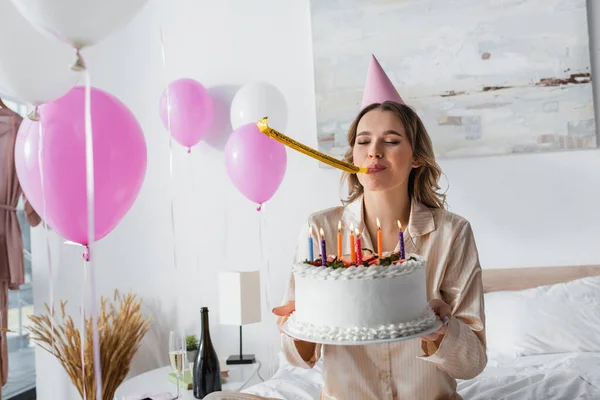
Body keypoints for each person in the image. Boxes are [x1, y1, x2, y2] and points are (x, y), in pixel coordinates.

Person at [206, 55, 486, 400]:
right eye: (363, 141)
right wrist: (300, 326)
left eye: (392, 141)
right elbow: (294, 357)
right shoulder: (319, 228)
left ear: (416, 157)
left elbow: (472, 363)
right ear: (350, 155)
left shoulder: (452, 233)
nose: (374, 153)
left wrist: (442, 330)